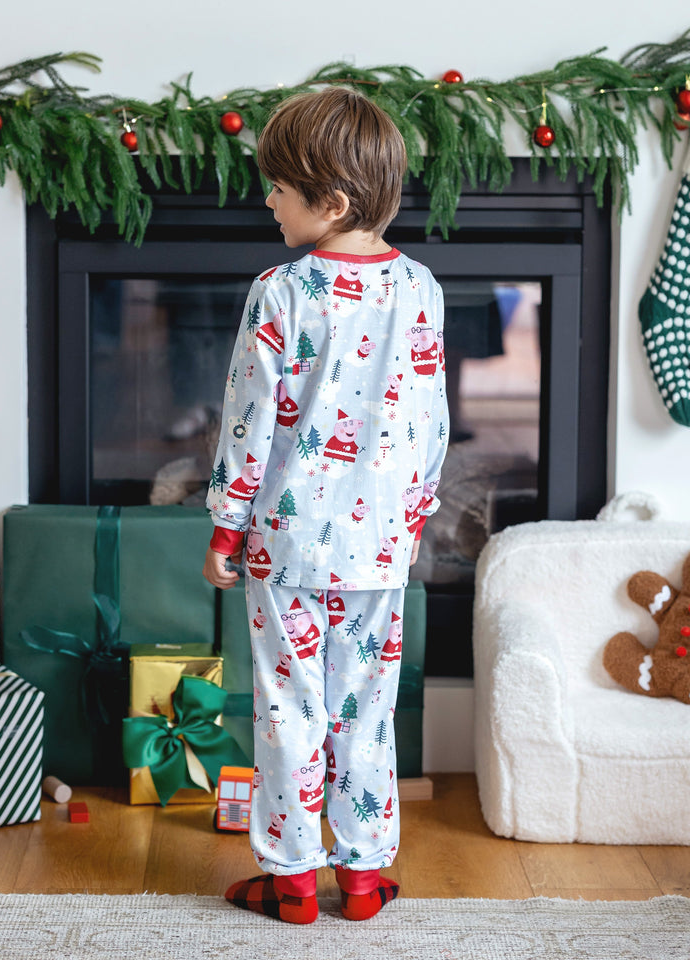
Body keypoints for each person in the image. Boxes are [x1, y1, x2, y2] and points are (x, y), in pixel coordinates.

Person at [203, 87, 449, 925]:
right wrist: (414, 519)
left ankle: (294, 880)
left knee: (289, 709)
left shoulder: (281, 291)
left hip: (286, 549)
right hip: (382, 549)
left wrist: (225, 530)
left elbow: (249, 424)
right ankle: (365, 879)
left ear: (331, 202)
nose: (267, 200)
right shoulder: (420, 287)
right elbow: (431, 425)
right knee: (366, 710)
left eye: (278, 187)